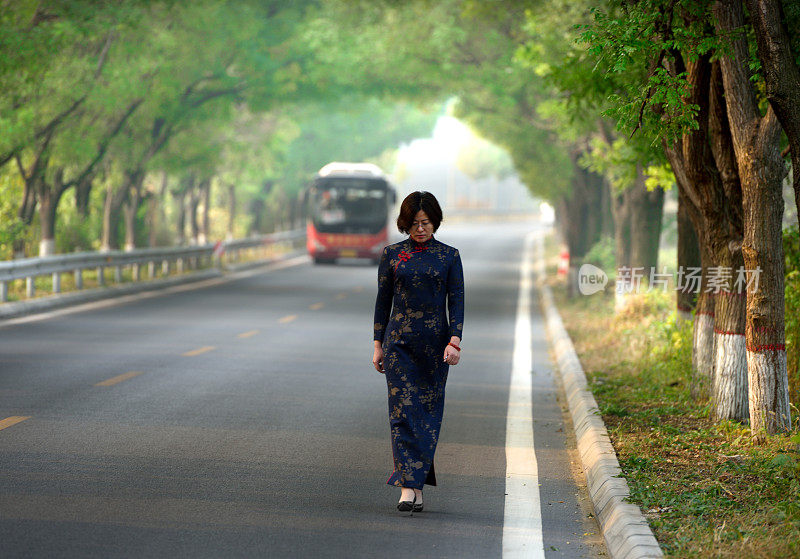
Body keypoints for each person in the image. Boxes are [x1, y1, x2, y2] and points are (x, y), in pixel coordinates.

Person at [372, 191, 464, 512]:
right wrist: (377, 343)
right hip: (399, 346)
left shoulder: (448, 256)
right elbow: (383, 302)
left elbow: (457, 302)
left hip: (435, 349)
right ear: (404, 224)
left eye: (425, 223)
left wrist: (455, 340)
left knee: (426, 416)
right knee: (401, 414)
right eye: (413, 224)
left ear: (435, 222)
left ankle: (415, 484)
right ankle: (408, 487)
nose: (420, 229)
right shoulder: (392, 255)